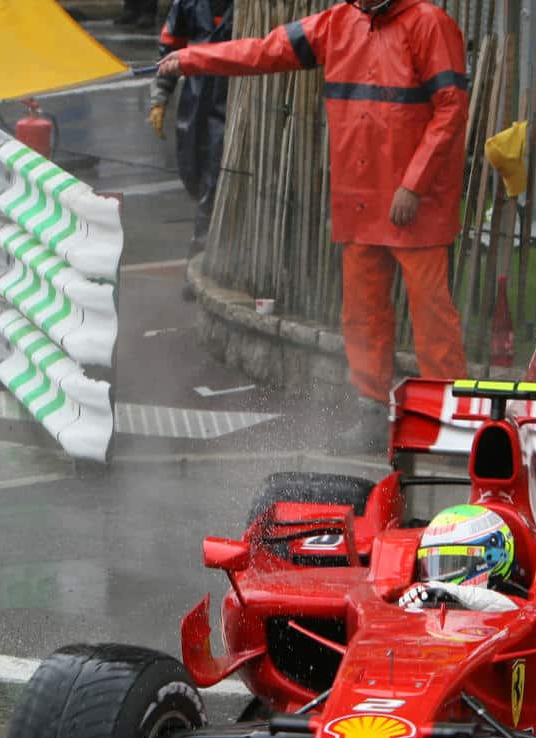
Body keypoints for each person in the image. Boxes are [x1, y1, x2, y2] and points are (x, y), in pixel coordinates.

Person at [156, 0, 470, 454]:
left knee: (432, 320)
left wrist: (414, 185)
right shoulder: (337, 23)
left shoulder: (428, 25)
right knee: (362, 316)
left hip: (409, 205)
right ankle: (372, 415)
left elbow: (450, 109)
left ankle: (453, 424)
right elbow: (264, 52)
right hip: (363, 199)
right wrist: (191, 57)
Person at [149, 0, 232, 269]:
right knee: (193, 173)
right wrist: (160, 96)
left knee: (214, 183)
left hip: (231, 99)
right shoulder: (189, 3)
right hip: (196, 100)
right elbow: (171, 45)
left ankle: (200, 264)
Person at [396, 505, 520, 612]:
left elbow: (510, 606)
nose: (439, 575)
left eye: (453, 563)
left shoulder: (518, 605)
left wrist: (446, 591)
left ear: (494, 558)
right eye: (433, 564)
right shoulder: (424, 595)